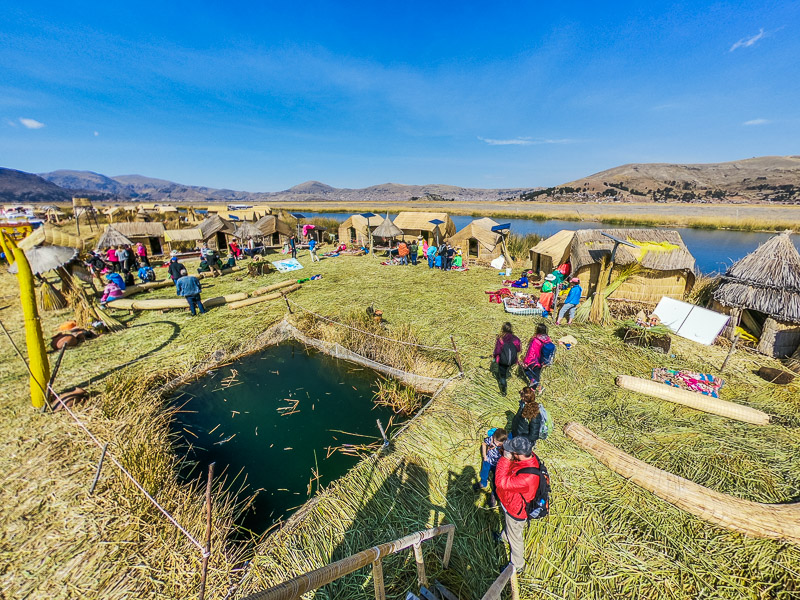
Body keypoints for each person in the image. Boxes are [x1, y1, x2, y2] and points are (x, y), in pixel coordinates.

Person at [494, 435, 543, 572]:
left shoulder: (527, 478)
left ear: (518, 454)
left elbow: (501, 483)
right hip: (511, 503)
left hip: (516, 511)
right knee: (510, 528)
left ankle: (517, 564)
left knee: (515, 537)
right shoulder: (528, 457)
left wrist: (505, 459)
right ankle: (504, 537)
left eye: (511, 451)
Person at [473, 427, 508, 508]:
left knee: (496, 479)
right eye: (496, 441)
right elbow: (484, 444)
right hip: (488, 461)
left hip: (499, 465)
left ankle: (494, 495)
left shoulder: (506, 445)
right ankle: (483, 483)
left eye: (499, 443)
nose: (497, 444)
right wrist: (484, 456)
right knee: (484, 472)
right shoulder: (491, 439)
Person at [521, 323, 552, 390]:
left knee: (526, 370)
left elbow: (531, 352)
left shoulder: (535, 340)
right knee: (537, 374)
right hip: (542, 361)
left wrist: (526, 362)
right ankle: (537, 388)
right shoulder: (548, 339)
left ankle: (535, 388)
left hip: (534, 360)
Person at [493, 322, 521, 395]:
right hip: (512, 360)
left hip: (502, 361)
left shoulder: (501, 339)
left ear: (503, 329)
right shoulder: (516, 339)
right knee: (507, 367)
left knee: (502, 376)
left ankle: (503, 391)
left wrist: (494, 356)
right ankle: (507, 371)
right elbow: (518, 350)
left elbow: (497, 351)